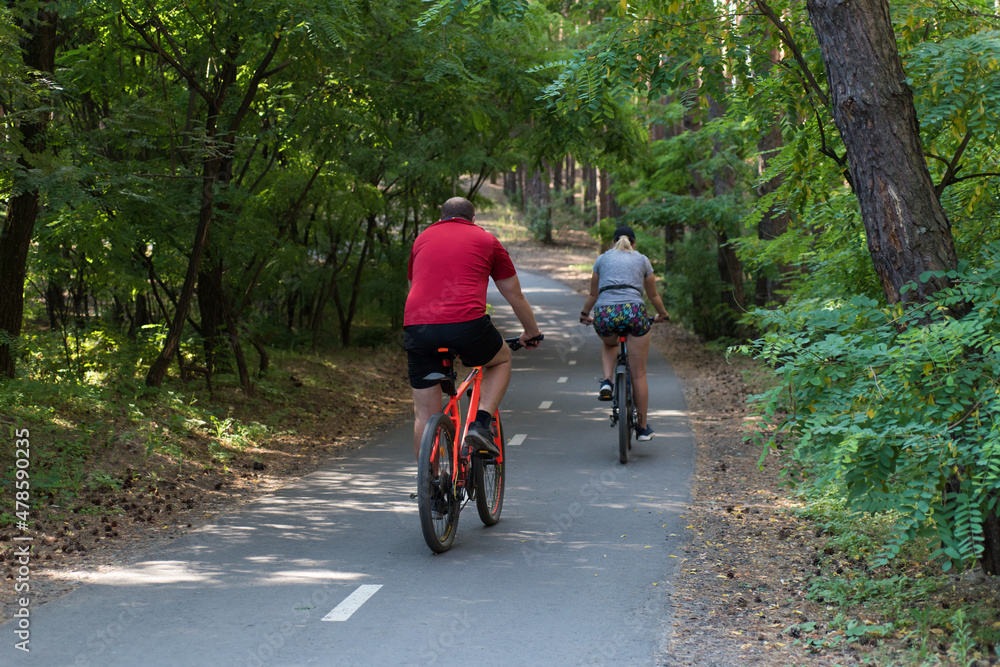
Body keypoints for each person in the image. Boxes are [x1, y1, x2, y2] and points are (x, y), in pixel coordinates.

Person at [404, 196, 542, 461]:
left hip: (418, 327)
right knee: (500, 359)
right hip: (466, 325)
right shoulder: (486, 240)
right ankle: (480, 424)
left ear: (440, 215)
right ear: (473, 219)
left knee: (424, 414)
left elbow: (414, 288)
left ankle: (430, 488)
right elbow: (515, 294)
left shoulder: (421, 239)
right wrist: (531, 331)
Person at [579, 225, 669, 441]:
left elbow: (594, 293)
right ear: (633, 242)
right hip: (635, 312)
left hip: (605, 313)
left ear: (613, 242)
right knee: (638, 374)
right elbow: (653, 295)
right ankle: (643, 427)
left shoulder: (602, 259)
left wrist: (584, 314)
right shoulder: (642, 260)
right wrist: (662, 315)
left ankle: (607, 381)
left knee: (610, 343)